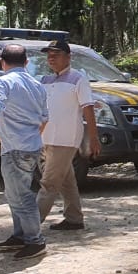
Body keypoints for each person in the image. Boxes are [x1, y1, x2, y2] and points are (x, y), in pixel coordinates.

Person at [0, 44, 49, 259]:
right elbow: (44, 119)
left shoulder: (3, 82)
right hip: (32, 146)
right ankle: (21, 235)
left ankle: (35, 241)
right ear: (26, 62)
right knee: (16, 193)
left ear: (2, 62)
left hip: (15, 147)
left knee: (21, 196)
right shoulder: (37, 85)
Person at [37, 39, 100, 232]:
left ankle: (28, 226)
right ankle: (74, 218)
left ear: (68, 57)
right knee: (66, 179)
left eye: (56, 55)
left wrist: (93, 138)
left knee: (49, 183)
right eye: (49, 55)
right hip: (47, 138)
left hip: (65, 139)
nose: (51, 58)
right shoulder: (45, 80)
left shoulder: (78, 79)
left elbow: (87, 108)